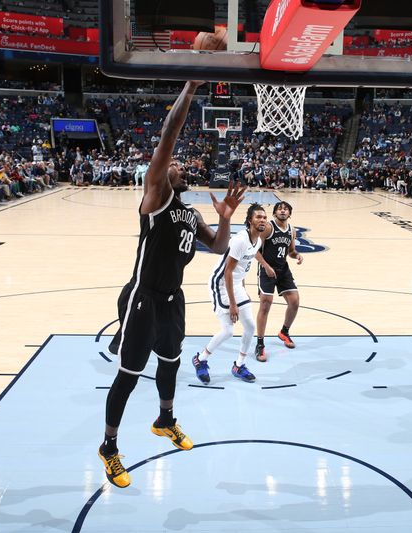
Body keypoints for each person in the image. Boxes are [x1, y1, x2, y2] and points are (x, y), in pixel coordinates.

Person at [98, 81, 247, 489]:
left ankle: (165, 420)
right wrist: (193, 83)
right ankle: (109, 448)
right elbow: (168, 135)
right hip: (142, 296)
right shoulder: (157, 194)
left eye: (182, 165)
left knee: (171, 362)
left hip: (172, 299)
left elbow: (218, 246)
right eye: (175, 163)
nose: (178, 165)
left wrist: (228, 216)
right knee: (129, 374)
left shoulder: (189, 212)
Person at [193, 203, 267, 384]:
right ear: (250, 221)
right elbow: (228, 271)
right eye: (258, 217)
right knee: (228, 331)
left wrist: (243, 287)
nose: (263, 220)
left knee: (250, 327)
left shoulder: (258, 240)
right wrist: (234, 304)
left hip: (236, 284)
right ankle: (200, 360)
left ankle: (239, 365)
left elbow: (245, 264)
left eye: (264, 217)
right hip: (220, 284)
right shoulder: (240, 240)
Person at [254, 201, 304, 362]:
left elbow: (290, 251)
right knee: (265, 304)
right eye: (279, 209)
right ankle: (260, 344)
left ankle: (284, 332)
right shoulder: (268, 227)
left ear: (290, 213)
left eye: (286, 209)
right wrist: (266, 266)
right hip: (267, 269)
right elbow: (254, 249)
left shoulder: (292, 231)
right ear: (275, 213)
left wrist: (297, 255)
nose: (283, 211)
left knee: (295, 301)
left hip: (283, 269)